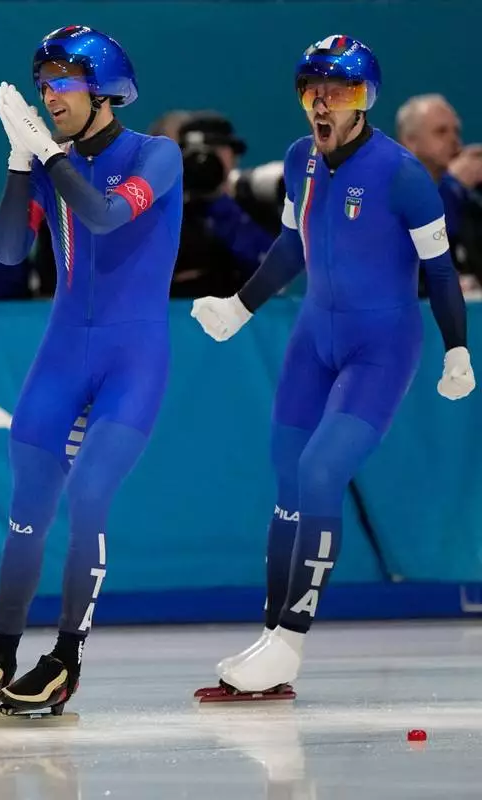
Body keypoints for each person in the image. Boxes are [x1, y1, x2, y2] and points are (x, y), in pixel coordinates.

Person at [191, 36, 474, 700]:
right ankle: (268, 637)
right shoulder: (298, 160)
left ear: (365, 100)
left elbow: (437, 271)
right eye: (311, 92)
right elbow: (292, 245)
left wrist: (456, 346)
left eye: (338, 93)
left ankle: (290, 641)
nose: (322, 105)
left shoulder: (403, 175)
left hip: (381, 349)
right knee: (289, 479)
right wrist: (242, 307)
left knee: (322, 471)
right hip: (314, 337)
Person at [0, 25, 183, 718]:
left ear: (104, 90)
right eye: (43, 86)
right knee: (26, 511)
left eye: (63, 83)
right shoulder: (49, 160)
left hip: (133, 357)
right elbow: (8, 256)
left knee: (89, 497)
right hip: (63, 350)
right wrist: (21, 163)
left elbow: (103, 215)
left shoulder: (157, 155)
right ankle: (0, 652)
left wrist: (49, 156)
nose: (50, 96)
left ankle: (66, 657)